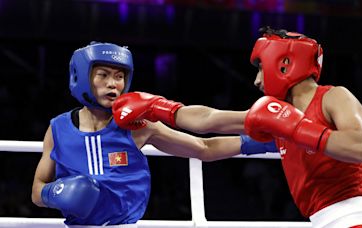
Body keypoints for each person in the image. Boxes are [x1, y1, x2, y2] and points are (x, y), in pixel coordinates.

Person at [112, 27, 362, 227]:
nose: (256, 81)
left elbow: (358, 148)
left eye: (261, 68)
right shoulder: (274, 119)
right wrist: (159, 109)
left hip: (356, 221)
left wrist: (296, 127)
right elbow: (209, 127)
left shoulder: (334, 97)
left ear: (284, 64)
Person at [31, 41, 276, 227]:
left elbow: (204, 147)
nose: (113, 83)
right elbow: (36, 191)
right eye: (103, 75)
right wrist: (58, 193)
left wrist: (264, 142)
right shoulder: (58, 129)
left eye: (119, 76)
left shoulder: (138, 126)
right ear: (82, 77)